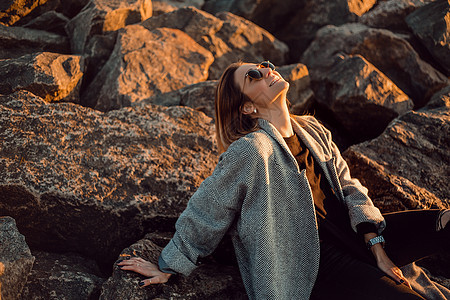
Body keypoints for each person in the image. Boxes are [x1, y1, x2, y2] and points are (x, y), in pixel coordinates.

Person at [118, 61, 450, 299]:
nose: (266, 70)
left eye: (263, 65)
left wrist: (375, 243)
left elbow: (350, 186)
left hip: (360, 235)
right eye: (253, 76)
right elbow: (208, 209)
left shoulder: (311, 129)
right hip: (316, 265)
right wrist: (168, 264)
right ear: (248, 108)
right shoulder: (252, 150)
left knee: (445, 222)